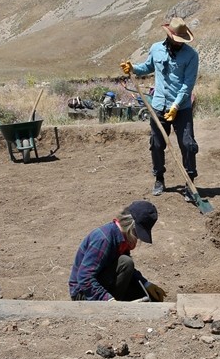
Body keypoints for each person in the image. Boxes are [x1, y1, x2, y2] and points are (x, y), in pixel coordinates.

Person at [120, 16, 199, 197]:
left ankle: (190, 182)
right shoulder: (156, 49)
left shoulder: (191, 56)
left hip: (181, 107)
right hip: (158, 105)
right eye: (176, 39)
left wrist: (176, 106)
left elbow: (187, 85)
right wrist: (132, 68)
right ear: (169, 35)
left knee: (187, 144)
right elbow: (147, 67)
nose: (178, 43)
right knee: (156, 144)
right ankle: (159, 178)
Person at [69, 200, 166, 302]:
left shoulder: (122, 236)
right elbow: (85, 277)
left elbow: (123, 270)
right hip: (83, 294)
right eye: (137, 234)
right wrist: (109, 300)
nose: (137, 239)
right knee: (126, 262)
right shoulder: (103, 239)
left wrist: (146, 284)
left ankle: (118, 301)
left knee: (152, 299)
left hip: (103, 281)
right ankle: (112, 307)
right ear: (130, 226)